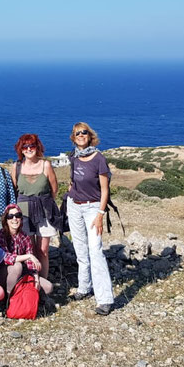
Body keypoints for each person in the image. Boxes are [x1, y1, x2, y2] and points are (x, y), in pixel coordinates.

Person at [65, 122, 114, 316]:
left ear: (90, 135)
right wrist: (70, 194)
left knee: (95, 250)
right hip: (74, 206)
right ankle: (84, 287)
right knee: (80, 249)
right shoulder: (74, 157)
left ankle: (105, 299)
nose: (81, 135)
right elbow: (73, 180)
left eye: (84, 132)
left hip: (93, 208)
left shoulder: (99, 158)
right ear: (73, 137)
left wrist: (101, 214)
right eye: (77, 133)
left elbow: (105, 189)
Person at [10, 133, 59, 279]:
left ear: (37, 147)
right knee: (29, 249)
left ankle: (43, 280)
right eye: (25, 147)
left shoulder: (46, 165)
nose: (28, 149)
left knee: (43, 250)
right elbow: (14, 190)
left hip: (44, 210)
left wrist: (44, 203)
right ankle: (31, 280)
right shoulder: (16, 167)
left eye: (32, 146)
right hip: (24, 213)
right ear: (20, 149)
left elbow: (54, 189)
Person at [0, 204, 53, 297]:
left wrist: (36, 277)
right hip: (2, 274)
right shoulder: (0, 235)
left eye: (17, 215)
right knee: (17, 266)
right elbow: (6, 258)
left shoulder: (24, 236)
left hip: (21, 274)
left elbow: (30, 263)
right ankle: (8, 298)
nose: (14, 219)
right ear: (6, 219)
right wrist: (29, 256)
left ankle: (21, 295)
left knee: (48, 287)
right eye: (10, 216)